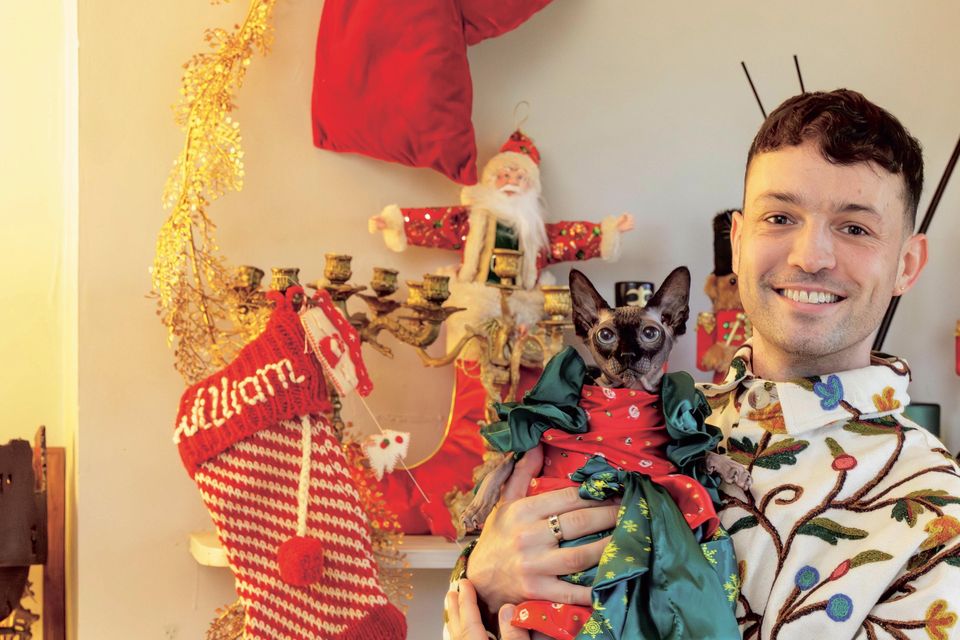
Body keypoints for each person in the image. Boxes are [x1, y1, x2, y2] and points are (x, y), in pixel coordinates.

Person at [445, 89, 960, 639]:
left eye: (854, 227)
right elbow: (474, 602)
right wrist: (484, 577)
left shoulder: (932, 514)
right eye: (781, 216)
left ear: (907, 263)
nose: (811, 256)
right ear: (737, 243)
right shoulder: (643, 419)